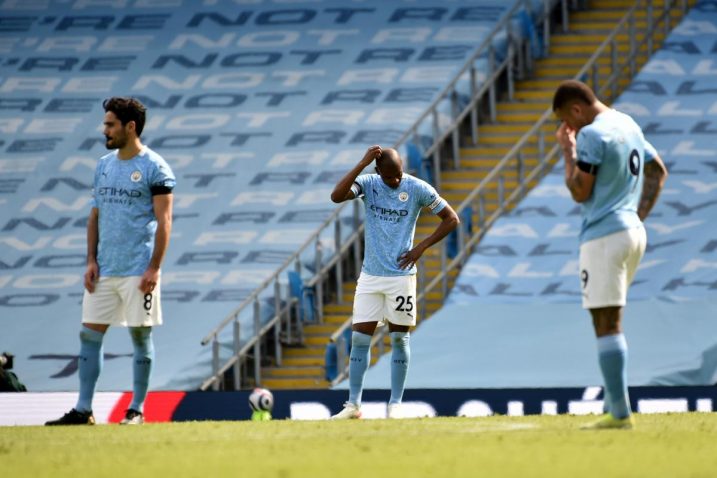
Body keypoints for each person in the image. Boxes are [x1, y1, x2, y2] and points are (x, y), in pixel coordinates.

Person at [46, 97, 176, 426]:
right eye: (105, 124)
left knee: (140, 339)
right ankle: (83, 409)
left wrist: (154, 267)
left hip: (138, 271)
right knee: (89, 336)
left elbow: (165, 222)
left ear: (130, 127)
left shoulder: (155, 167)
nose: (104, 130)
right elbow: (95, 215)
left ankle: (137, 410)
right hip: (104, 269)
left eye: (110, 124)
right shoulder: (103, 164)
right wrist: (90, 260)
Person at [553, 80, 667, 430]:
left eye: (567, 122)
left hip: (604, 235)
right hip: (633, 232)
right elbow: (658, 170)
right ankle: (615, 405)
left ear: (576, 109)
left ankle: (619, 414)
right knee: (607, 319)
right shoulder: (628, 123)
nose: (570, 130)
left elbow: (579, 191)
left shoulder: (591, 134)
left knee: (606, 322)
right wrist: (637, 216)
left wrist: (567, 151)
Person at [329, 145, 459, 419]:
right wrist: (361, 163)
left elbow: (451, 219)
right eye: (390, 177)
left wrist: (421, 247)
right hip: (371, 276)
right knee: (359, 339)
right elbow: (336, 196)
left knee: (399, 339)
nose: (396, 180)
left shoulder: (417, 188)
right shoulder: (368, 183)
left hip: (400, 277)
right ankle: (353, 406)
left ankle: (395, 404)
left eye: (398, 174)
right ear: (377, 171)